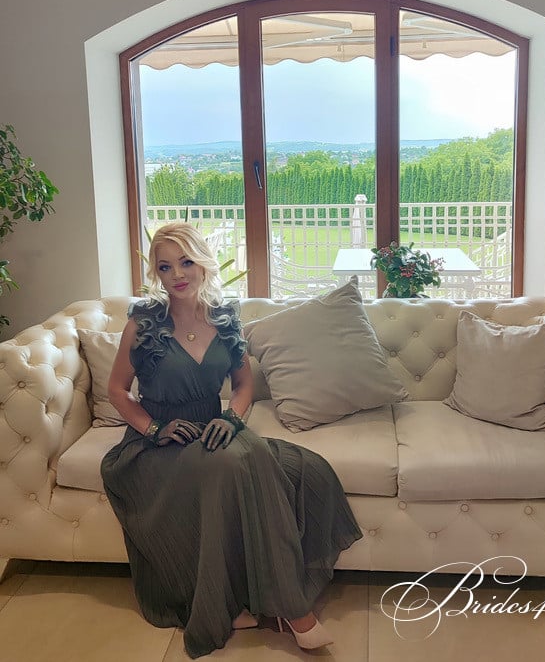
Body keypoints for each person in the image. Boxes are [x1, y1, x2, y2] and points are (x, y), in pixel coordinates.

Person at [100, 222, 362, 659]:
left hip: (214, 428)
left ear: (203, 263)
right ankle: (293, 611)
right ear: (155, 273)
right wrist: (154, 429)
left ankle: (247, 597)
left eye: (186, 262)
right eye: (164, 267)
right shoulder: (142, 323)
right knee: (234, 464)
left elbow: (243, 386)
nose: (176, 274)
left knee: (303, 467)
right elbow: (117, 391)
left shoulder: (225, 319)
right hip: (158, 444)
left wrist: (232, 418)